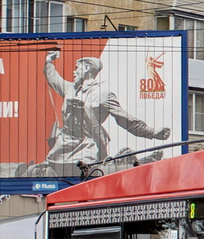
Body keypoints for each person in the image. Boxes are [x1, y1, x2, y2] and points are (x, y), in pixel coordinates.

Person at [29, 50, 172, 176]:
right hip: (63, 144)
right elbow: (53, 78)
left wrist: (152, 132)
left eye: (77, 68)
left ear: (87, 68)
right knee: (44, 173)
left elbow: (125, 119)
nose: (74, 72)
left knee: (88, 176)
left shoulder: (103, 94)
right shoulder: (70, 88)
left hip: (86, 146)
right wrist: (49, 61)